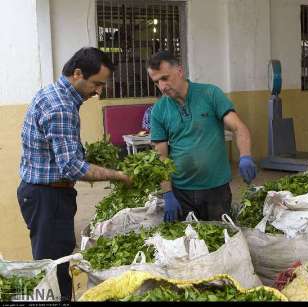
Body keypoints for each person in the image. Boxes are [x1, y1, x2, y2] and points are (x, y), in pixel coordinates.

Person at [17, 47, 132, 301]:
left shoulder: (54, 94)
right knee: (55, 269)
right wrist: (118, 175)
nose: (99, 91)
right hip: (48, 198)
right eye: (97, 84)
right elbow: (72, 167)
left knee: (54, 263)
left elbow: (62, 154)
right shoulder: (61, 108)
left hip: (42, 194)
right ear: (78, 74)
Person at [148, 50, 256, 222]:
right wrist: (167, 192)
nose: (162, 86)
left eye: (165, 78)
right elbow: (161, 156)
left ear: (180, 71)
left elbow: (238, 127)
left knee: (220, 239)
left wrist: (245, 156)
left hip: (216, 190)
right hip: (181, 192)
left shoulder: (210, 94)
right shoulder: (159, 110)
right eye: (156, 82)